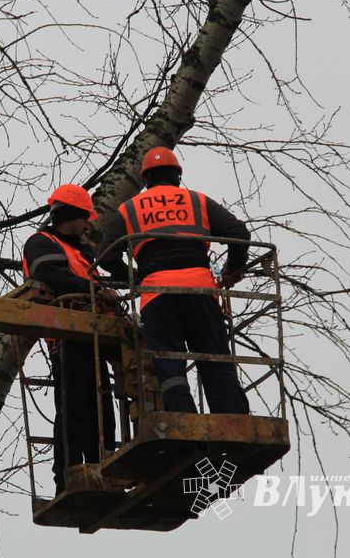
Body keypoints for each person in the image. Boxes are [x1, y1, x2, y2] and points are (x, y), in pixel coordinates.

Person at [98, 146, 250, 415]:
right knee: (215, 359)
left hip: (157, 294)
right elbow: (238, 232)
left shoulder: (129, 209)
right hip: (200, 290)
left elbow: (106, 255)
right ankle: (234, 418)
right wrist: (232, 270)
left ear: (145, 179)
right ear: (177, 176)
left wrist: (135, 278)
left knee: (170, 365)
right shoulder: (197, 201)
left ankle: (183, 418)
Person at [22, 184, 117, 494]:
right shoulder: (41, 243)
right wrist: (97, 291)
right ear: (70, 216)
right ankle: (69, 474)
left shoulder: (81, 251)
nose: (88, 224)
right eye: (84, 218)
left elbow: (84, 277)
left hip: (91, 333)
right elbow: (53, 275)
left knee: (101, 404)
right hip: (67, 331)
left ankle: (103, 466)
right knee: (74, 404)